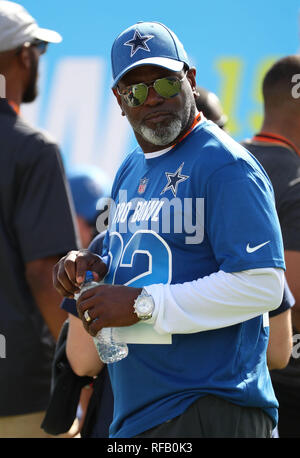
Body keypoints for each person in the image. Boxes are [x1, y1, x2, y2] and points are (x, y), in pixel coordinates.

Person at [54, 21, 286, 438]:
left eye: (164, 81)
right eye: (136, 91)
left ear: (190, 80)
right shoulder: (130, 168)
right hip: (140, 414)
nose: (153, 98)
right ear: (119, 101)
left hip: (210, 406)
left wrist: (144, 304)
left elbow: (263, 285)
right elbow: (155, 257)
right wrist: (94, 263)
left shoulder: (225, 164)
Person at [0, 1, 79, 438]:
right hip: (19, 393)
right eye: (38, 51)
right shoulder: (32, 149)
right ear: (24, 54)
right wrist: (80, 376)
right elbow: (45, 276)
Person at [242, 55, 300, 437]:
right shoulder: (296, 179)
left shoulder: (224, 160)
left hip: (223, 371)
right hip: (285, 380)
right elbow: (293, 296)